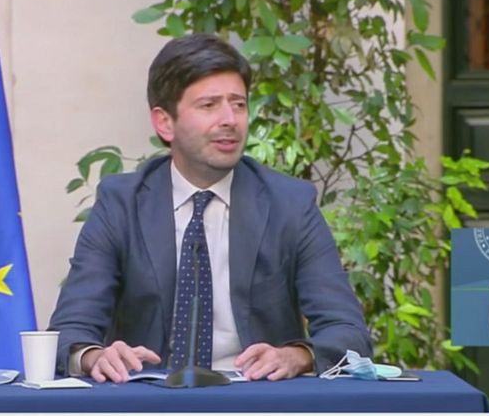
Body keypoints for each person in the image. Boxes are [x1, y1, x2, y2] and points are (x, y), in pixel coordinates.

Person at [48, 33, 372, 383]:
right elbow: (68, 332)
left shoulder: (290, 204)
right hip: (150, 397)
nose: (230, 119)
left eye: (239, 104)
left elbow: (348, 332)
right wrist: (94, 356)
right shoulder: (121, 205)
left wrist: (296, 356)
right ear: (164, 122)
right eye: (209, 105)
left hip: (256, 397)